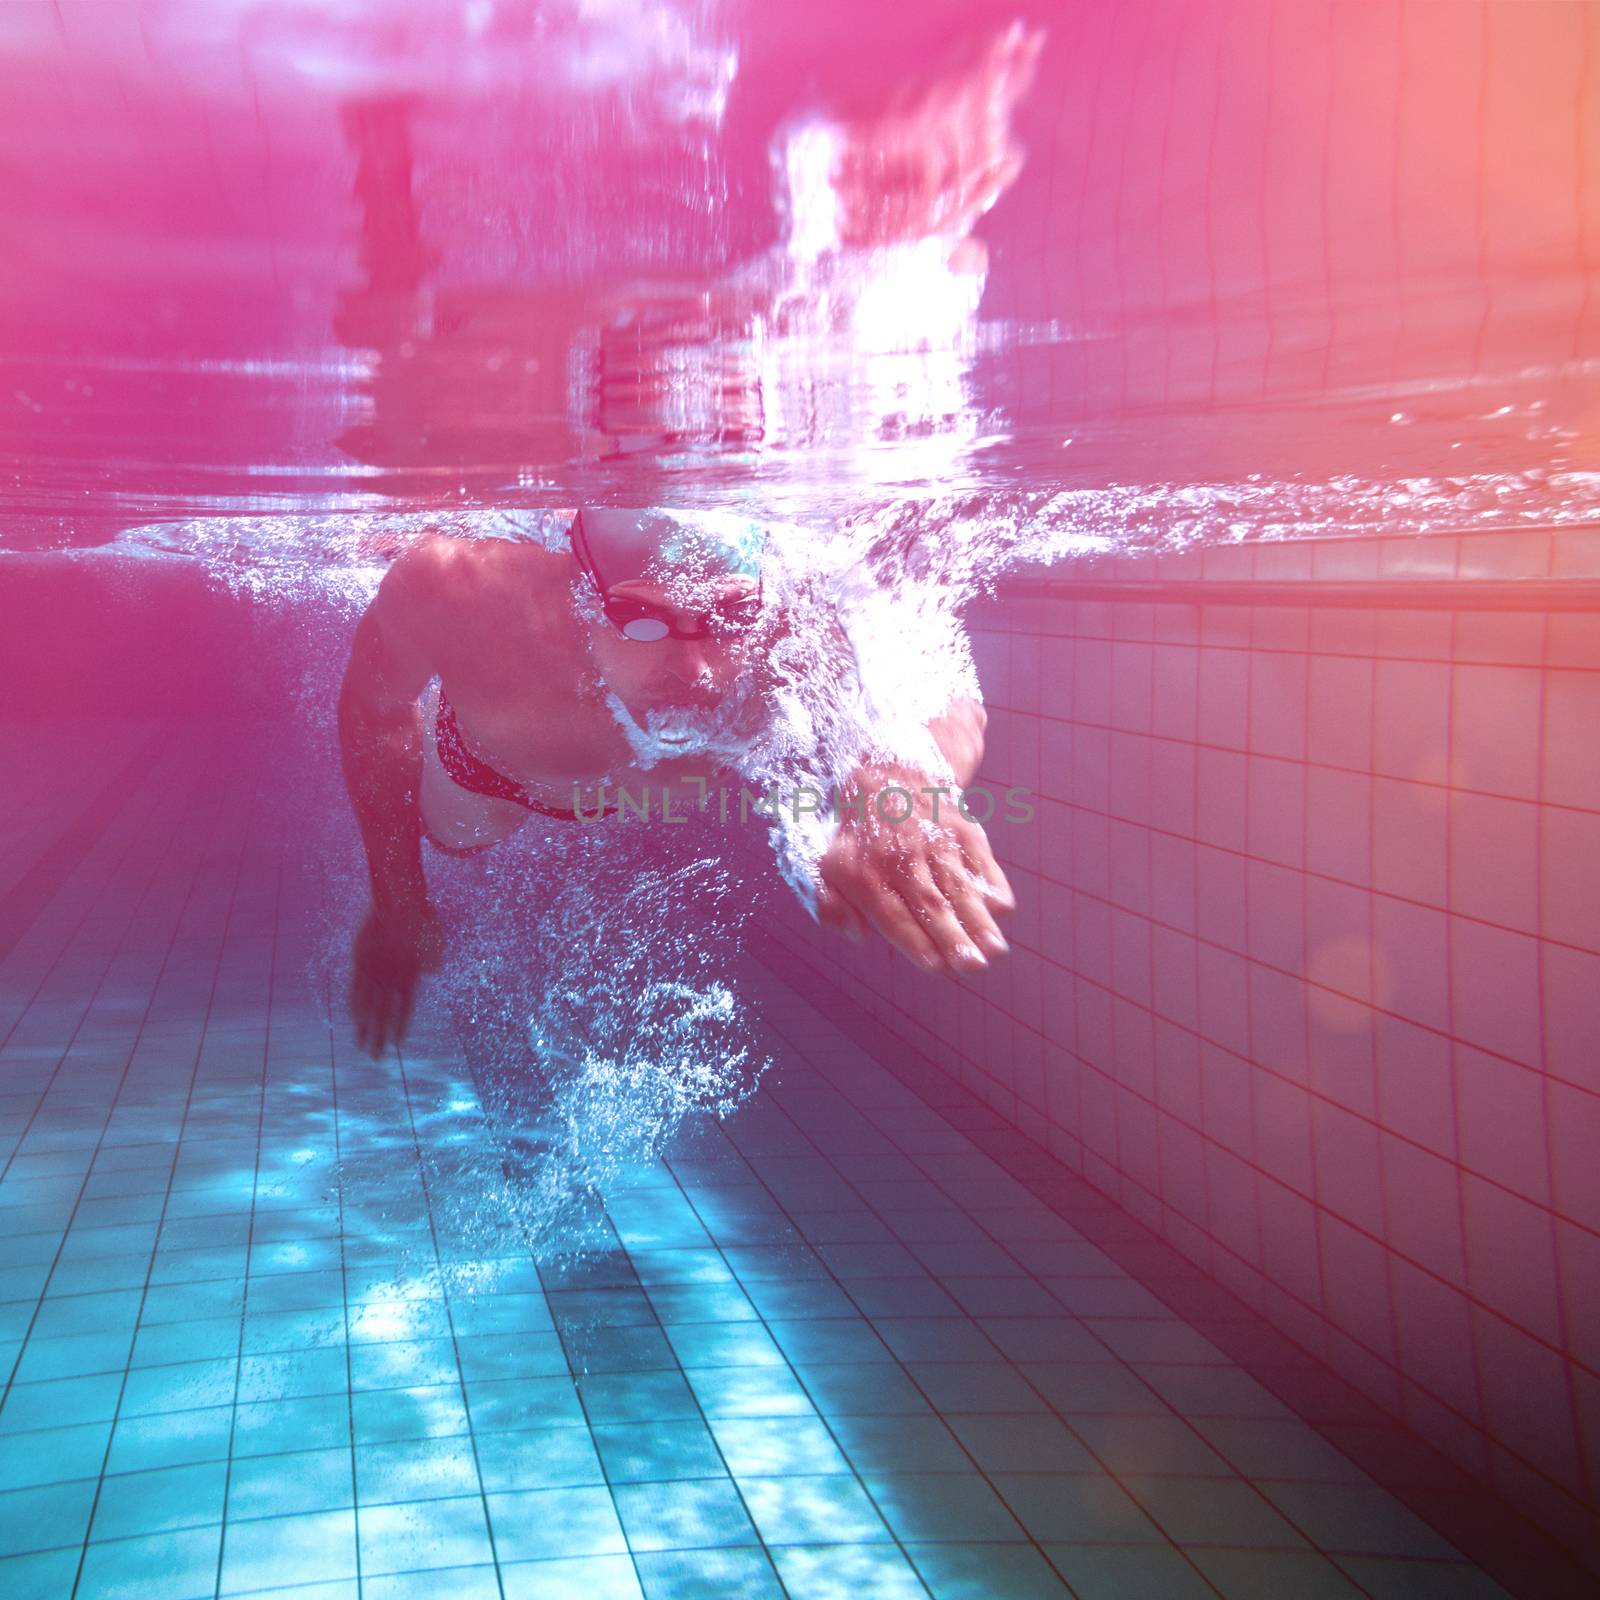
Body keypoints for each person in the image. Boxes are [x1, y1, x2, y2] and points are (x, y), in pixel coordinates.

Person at [338, 508, 1015, 1058]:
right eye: (643, 617)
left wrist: (900, 777)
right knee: (458, 839)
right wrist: (397, 903)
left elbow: (941, 686)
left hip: (659, 783)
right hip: (495, 779)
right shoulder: (457, 588)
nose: (695, 671)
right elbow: (374, 712)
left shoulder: (802, 606)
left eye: (726, 616)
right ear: (581, 591)